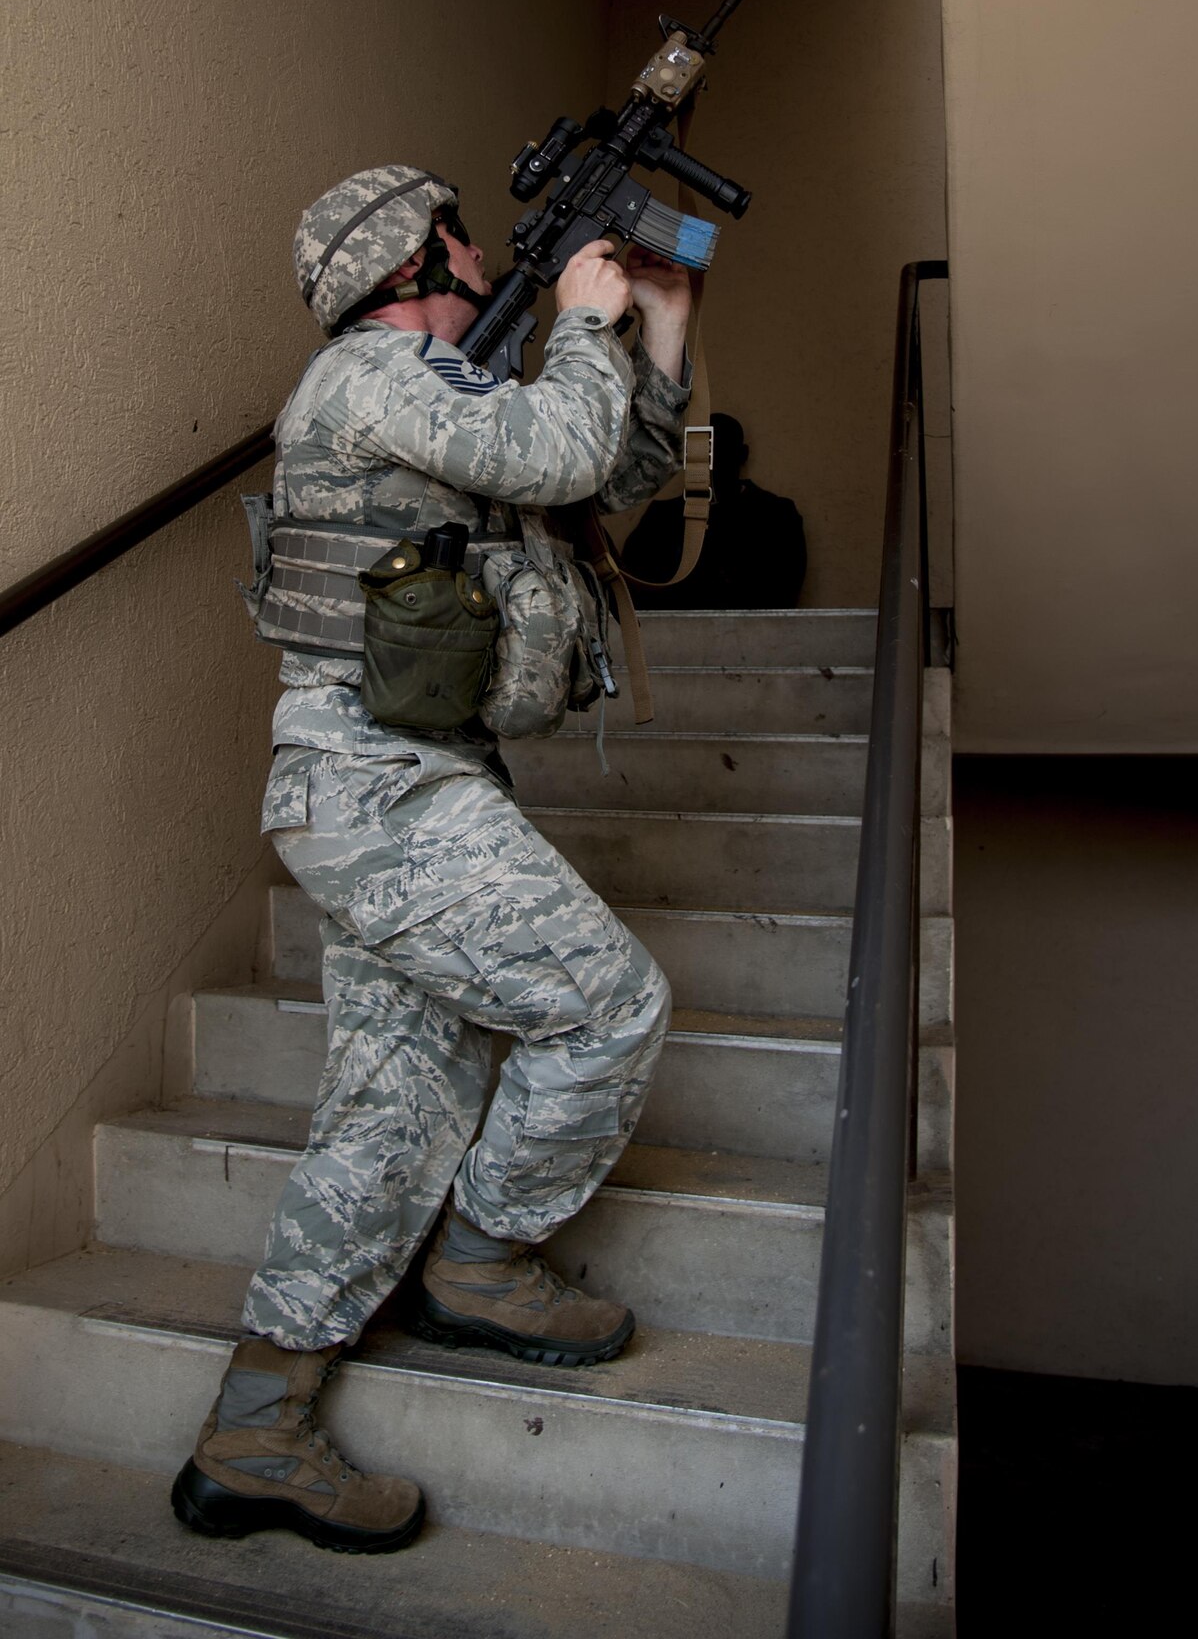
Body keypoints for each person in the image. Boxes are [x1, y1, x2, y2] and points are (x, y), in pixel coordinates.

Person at [171, 164, 693, 1554]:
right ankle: (481, 1262)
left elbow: (614, 478)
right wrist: (585, 319)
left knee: (388, 1116)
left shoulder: (444, 405)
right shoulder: (361, 378)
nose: (482, 249)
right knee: (608, 1003)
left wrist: (665, 325)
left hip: (407, 783)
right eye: (462, 231)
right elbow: (565, 448)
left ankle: (254, 1431)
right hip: (374, 786)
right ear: (420, 258)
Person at [621, 411, 807, 607]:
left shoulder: (776, 516)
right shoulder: (661, 518)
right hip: (674, 633)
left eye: (721, 449)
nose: (710, 462)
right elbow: (635, 592)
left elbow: (780, 595)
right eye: (701, 452)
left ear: (742, 454)